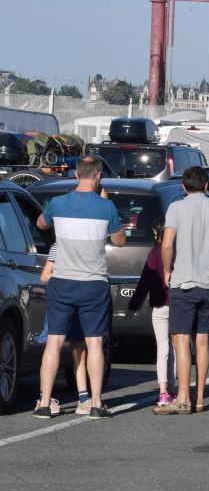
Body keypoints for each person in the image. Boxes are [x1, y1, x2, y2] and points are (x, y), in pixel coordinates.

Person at [34, 156, 124, 419]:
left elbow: (40, 223)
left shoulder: (58, 203)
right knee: (95, 343)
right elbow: (119, 241)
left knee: (54, 342)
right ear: (98, 177)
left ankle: (44, 402)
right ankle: (95, 403)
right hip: (93, 283)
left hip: (62, 281)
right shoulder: (106, 207)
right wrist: (106, 204)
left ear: (75, 174)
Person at [154, 166, 209, 415]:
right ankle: (200, 397)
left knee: (181, 342)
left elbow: (167, 244)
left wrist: (168, 271)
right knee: (202, 341)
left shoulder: (176, 208)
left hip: (184, 282)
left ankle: (182, 399)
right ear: (206, 185)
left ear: (183, 186)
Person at [125, 217, 176, 407]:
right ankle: (172, 386)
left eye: (155, 233)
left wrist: (133, 306)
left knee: (162, 347)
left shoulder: (154, 254)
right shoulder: (179, 252)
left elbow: (144, 283)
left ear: (158, 233)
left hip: (160, 305)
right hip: (178, 305)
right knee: (175, 347)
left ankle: (163, 392)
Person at [37, 242, 90, 416]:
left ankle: (83, 399)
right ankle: (44, 399)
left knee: (79, 349)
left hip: (77, 301)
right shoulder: (58, 246)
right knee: (54, 346)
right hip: (62, 301)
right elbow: (45, 276)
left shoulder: (87, 244)